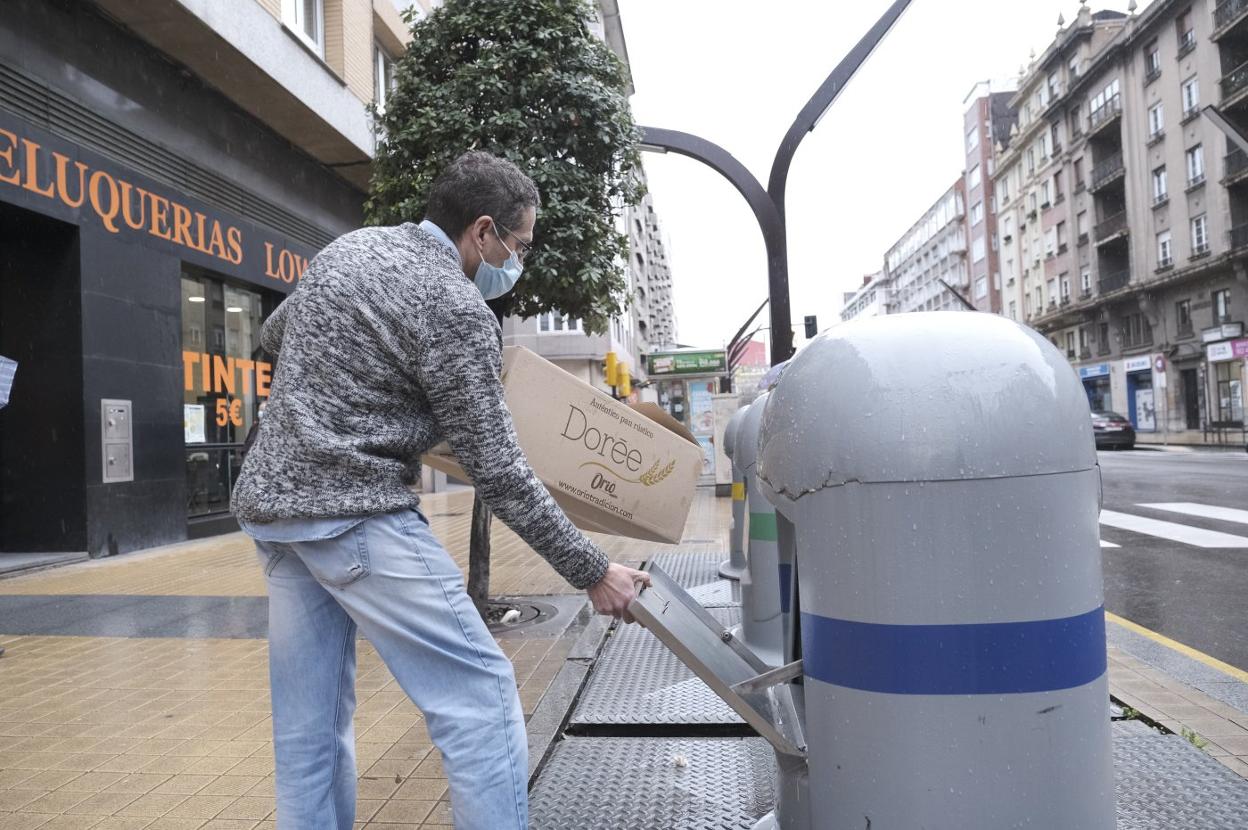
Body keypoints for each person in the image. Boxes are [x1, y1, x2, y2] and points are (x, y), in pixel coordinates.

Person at [231, 151, 649, 830]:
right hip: (356, 515)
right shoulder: (455, 306)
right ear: (482, 231)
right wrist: (594, 571)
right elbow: (500, 472)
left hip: (276, 516)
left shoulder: (350, 249)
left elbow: (275, 333)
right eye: (519, 245)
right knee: (481, 703)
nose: (518, 261)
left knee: (309, 730)